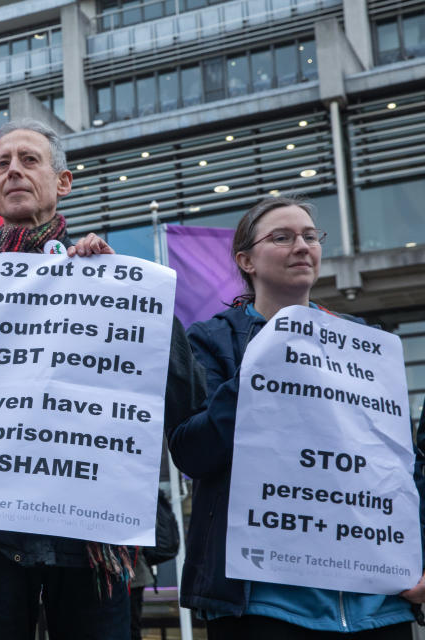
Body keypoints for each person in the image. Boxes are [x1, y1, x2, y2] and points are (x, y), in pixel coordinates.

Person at [0, 119, 205, 639]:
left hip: (93, 544)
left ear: (63, 181)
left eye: (29, 160)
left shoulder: (109, 278)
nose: (14, 172)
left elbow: (183, 397)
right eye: (2, 165)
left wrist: (125, 298)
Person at [167, 196, 425, 638]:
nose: (302, 246)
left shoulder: (367, 342)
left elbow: (401, 462)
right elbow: (192, 450)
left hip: (375, 605)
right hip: (263, 604)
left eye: (310, 236)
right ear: (246, 260)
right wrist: (264, 364)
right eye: (282, 238)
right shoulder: (211, 340)